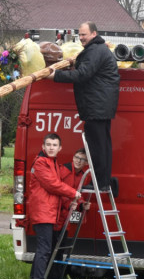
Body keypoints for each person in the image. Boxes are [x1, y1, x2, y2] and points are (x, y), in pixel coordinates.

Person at [48, 21, 120, 190]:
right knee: (103, 145)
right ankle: (104, 182)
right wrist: (75, 63)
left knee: (96, 146)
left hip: (96, 106)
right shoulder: (99, 49)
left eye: (84, 35)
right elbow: (89, 70)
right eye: (79, 35)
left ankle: (100, 183)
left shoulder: (95, 50)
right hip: (101, 105)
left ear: (94, 34)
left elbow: (83, 75)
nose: (81, 38)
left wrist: (56, 75)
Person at [28, 133, 80, 279]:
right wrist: (73, 193)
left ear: (60, 148)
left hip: (50, 212)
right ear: (43, 146)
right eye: (48, 144)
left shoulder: (53, 163)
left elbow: (57, 188)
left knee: (48, 248)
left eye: (54, 145)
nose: (51, 147)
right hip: (43, 212)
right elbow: (53, 185)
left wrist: (71, 200)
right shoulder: (41, 162)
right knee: (44, 249)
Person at [47, 148, 91, 279]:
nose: (79, 161)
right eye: (77, 157)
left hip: (66, 217)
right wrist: (75, 202)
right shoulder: (63, 170)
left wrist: (83, 204)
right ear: (73, 157)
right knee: (51, 249)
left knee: (60, 250)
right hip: (56, 214)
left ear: (86, 163)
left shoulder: (84, 175)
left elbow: (78, 194)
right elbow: (59, 191)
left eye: (82, 159)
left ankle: (57, 278)